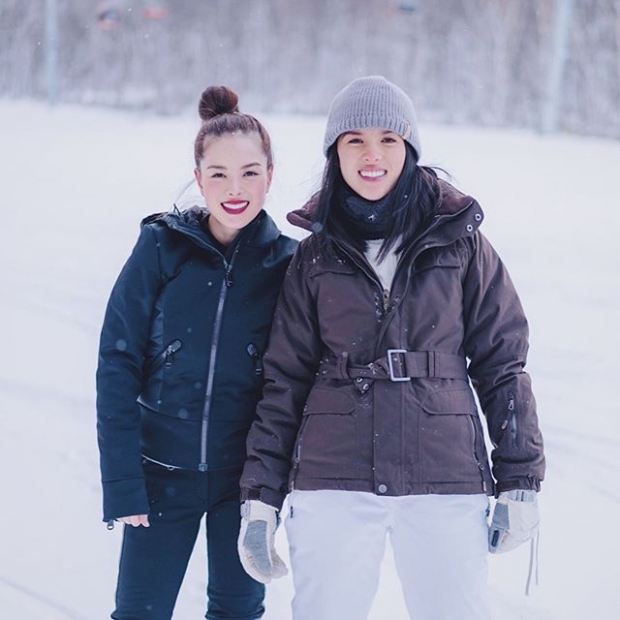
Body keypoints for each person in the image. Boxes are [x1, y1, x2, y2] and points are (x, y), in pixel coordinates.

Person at [236, 76, 545, 620]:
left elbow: (503, 363)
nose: (371, 154)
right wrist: (260, 497)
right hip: (333, 476)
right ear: (335, 153)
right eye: (353, 139)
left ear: (409, 148)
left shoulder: (462, 243)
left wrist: (520, 478)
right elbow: (284, 378)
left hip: (444, 475)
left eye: (387, 139)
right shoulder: (314, 256)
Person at [96, 85, 297, 620]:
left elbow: (302, 378)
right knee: (139, 612)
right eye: (219, 174)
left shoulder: (289, 265)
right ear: (199, 175)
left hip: (246, 483)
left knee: (237, 612)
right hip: (160, 472)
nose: (235, 188)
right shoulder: (161, 248)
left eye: (250, 172)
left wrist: (278, 486)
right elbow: (117, 362)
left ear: (270, 176)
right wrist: (122, 483)